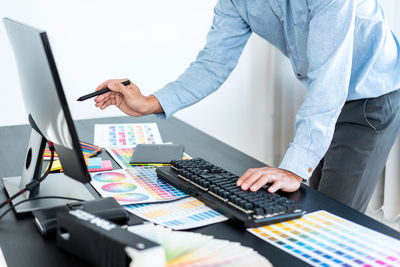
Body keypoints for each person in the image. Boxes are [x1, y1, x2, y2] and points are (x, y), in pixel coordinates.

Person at [94, 0, 400, 212]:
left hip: (371, 99)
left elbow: (329, 79)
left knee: (335, 224)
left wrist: (293, 169)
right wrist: (148, 103)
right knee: (309, 210)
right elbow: (212, 66)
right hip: (325, 100)